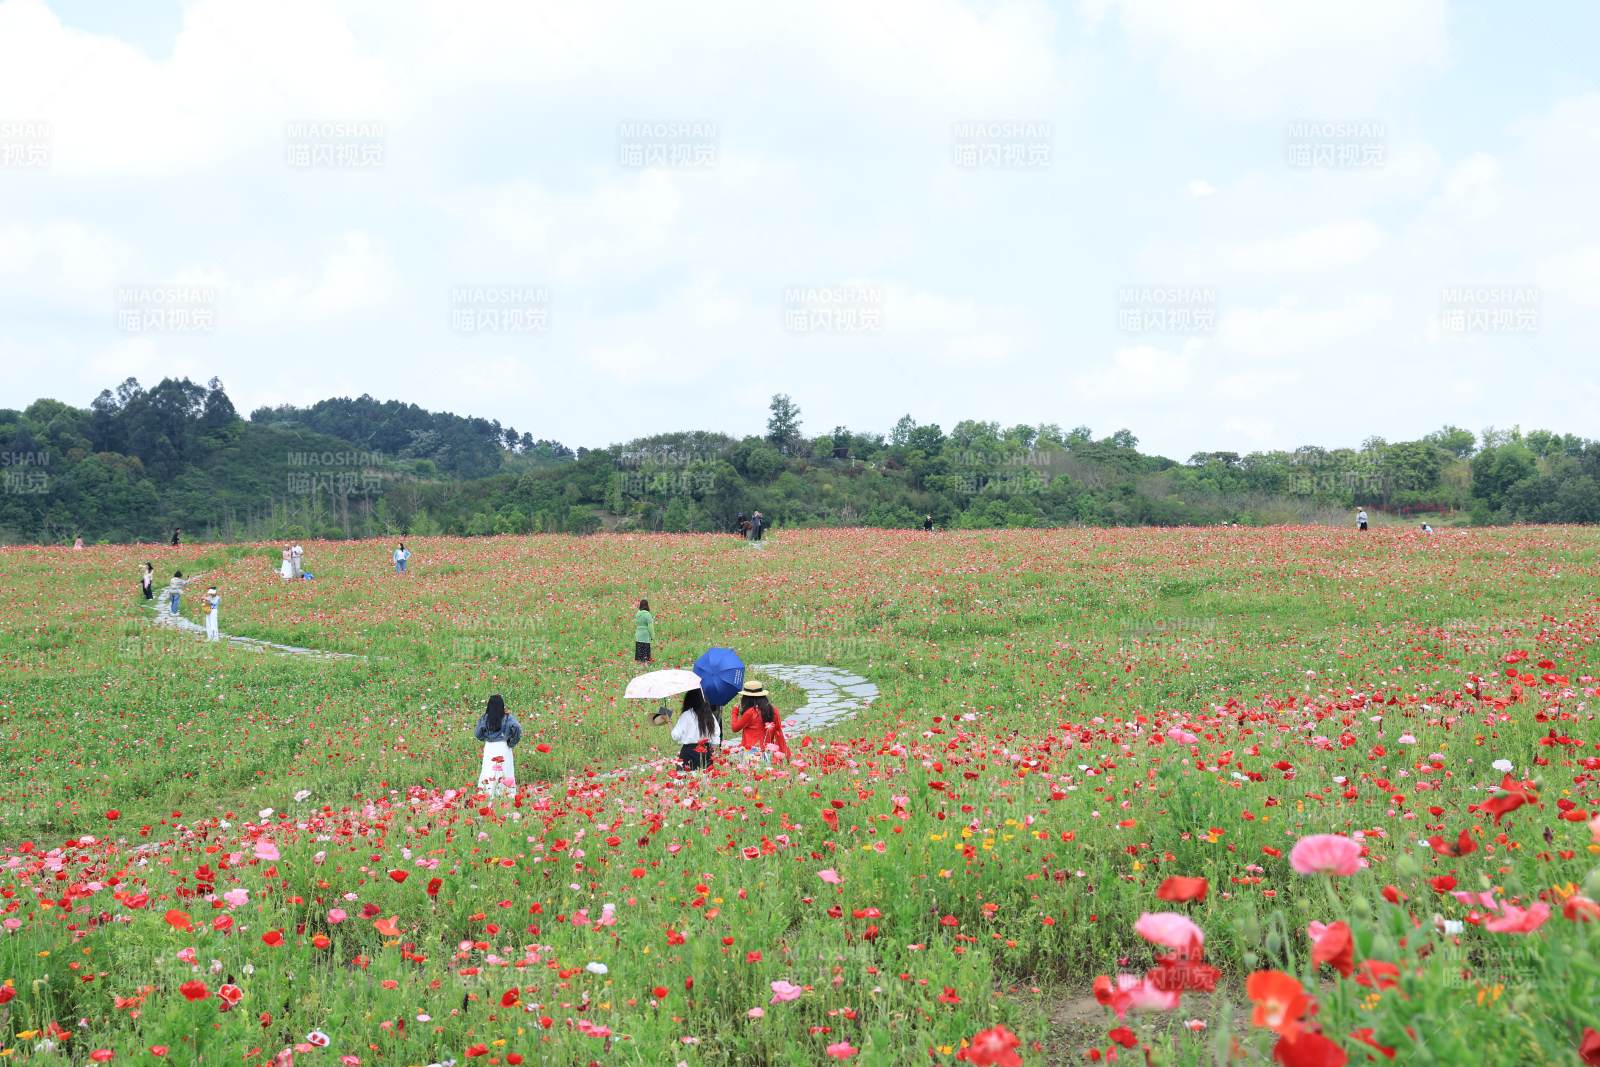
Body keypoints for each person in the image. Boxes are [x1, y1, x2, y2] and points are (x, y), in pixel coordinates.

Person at [473, 694, 522, 798]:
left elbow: (477, 733)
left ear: (489, 705)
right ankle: (506, 793)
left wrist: (485, 738)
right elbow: (517, 727)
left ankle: (488, 792)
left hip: (490, 747)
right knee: (505, 769)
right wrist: (512, 742)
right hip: (503, 746)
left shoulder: (485, 718)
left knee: (489, 769)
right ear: (502, 705)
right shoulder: (508, 717)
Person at [729, 680, 790, 762]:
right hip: (768, 752)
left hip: (751, 753)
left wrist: (735, 712)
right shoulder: (773, 710)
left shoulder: (751, 712)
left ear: (747, 698)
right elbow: (778, 731)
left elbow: (735, 728)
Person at [670, 688, 720, 772]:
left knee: (685, 781)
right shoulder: (709, 714)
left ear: (689, 700)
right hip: (705, 751)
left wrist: (669, 722)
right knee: (704, 780)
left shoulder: (686, 715)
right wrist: (710, 752)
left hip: (688, 753)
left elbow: (676, 736)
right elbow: (716, 735)